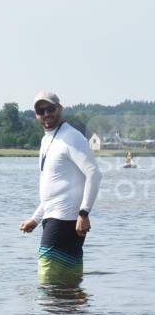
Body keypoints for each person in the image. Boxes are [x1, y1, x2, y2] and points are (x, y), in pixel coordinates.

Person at [19, 92, 101, 284]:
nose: (46, 114)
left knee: (48, 278)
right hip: (54, 217)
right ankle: (75, 314)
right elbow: (55, 188)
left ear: (60, 109)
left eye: (50, 109)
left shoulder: (71, 137)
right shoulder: (47, 139)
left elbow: (94, 174)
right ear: (36, 114)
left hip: (66, 219)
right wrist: (36, 218)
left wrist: (84, 213)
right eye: (41, 110)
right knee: (68, 282)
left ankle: (52, 314)